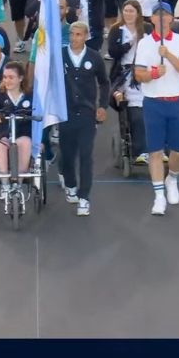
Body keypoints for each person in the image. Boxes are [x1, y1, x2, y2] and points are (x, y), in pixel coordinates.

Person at [133, 3, 179, 216]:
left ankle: (172, 178)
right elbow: (139, 75)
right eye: (157, 14)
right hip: (153, 102)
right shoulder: (145, 44)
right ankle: (158, 196)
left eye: (165, 15)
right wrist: (153, 75)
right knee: (155, 152)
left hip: (176, 101)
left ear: (171, 19)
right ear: (151, 19)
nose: (161, 18)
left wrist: (167, 55)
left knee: (178, 152)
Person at [59, 22, 110, 216]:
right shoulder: (61, 55)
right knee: (67, 153)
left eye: (78, 34)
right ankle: (70, 184)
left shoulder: (94, 57)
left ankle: (84, 197)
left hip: (87, 114)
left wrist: (102, 106)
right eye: (72, 34)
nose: (74, 38)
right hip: (65, 113)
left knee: (86, 155)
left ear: (86, 36)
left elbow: (104, 83)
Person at [109, 0, 151, 164]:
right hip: (125, 73)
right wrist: (130, 42)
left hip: (145, 71)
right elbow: (113, 52)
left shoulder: (147, 29)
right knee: (136, 113)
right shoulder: (116, 30)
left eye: (131, 11)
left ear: (138, 13)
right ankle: (140, 150)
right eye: (125, 11)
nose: (128, 14)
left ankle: (158, 149)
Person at [0, 61, 33, 197]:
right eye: (5, 77)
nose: (7, 80)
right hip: (0, 132)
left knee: (26, 142)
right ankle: (5, 183)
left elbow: (38, 113)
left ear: (21, 78)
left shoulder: (30, 95)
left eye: (11, 77)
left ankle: (18, 183)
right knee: (1, 142)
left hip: (22, 133)